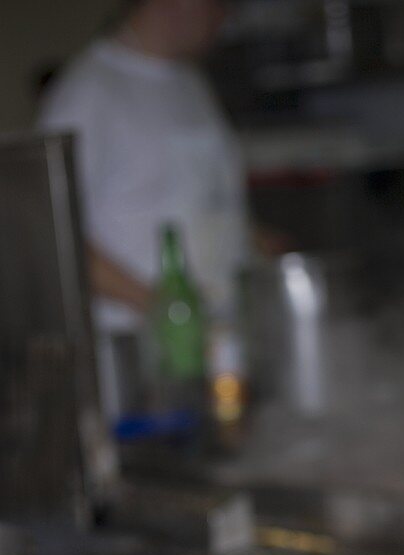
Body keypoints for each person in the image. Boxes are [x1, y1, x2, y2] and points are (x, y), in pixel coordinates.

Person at [38, 0, 248, 376]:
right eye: (217, 6)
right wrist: (163, 308)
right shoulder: (88, 92)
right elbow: (51, 232)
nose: (224, 17)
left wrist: (254, 241)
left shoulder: (190, 81)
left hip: (217, 337)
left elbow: (195, 195)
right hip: (135, 352)